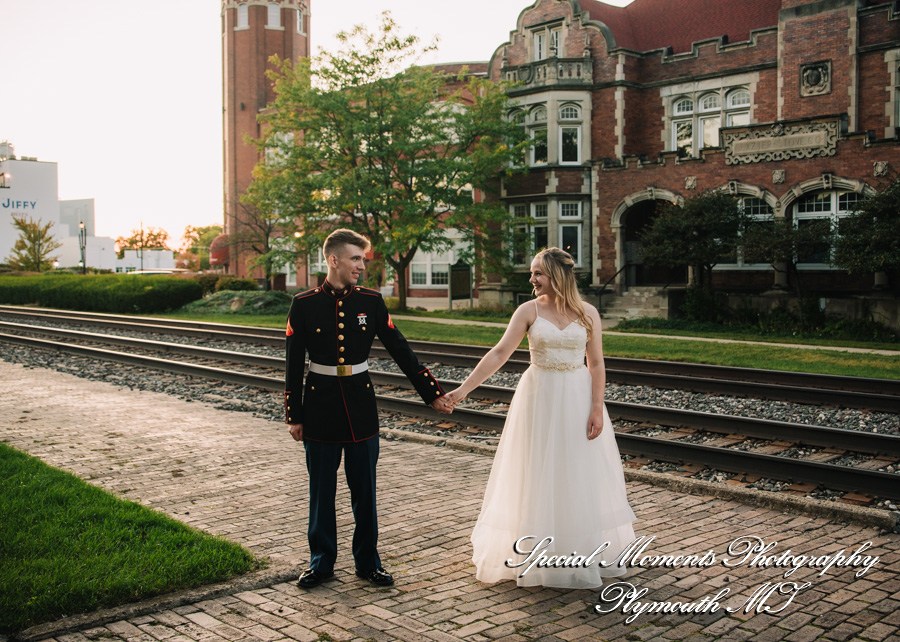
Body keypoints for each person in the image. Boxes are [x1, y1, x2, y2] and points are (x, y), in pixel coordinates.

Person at [442, 247, 636, 588]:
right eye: (532, 273)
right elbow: (500, 352)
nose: (531, 279)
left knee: (576, 470)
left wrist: (596, 407)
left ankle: (576, 548)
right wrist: (462, 391)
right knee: (535, 470)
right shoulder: (527, 310)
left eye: (537, 273)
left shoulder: (588, 312)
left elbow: (597, 363)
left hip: (578, 397)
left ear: (556, 276)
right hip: (539, 397)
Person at [285, 228, 453, 589]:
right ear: (334, 260)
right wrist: (294, 415)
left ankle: (368, 562)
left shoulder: (371, 301)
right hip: (319, 408)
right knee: (321, 492)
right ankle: (321, 562)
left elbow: (400, 349)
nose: (362, 265)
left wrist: (433, 393)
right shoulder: (304, 303)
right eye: (356, 258)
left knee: (364, 490)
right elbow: (293, 363)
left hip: (360, 407)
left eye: (362, 258)